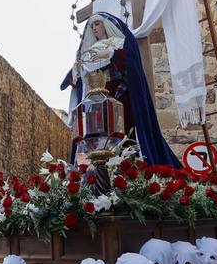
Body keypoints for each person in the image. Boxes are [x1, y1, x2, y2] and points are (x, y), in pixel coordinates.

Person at [62, 12, 180, 167]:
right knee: (98, 137)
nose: (94, 28)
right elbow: (80, 79)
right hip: (96, 101)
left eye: (97, 24)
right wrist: (74, 74)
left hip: (120, 95)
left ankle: (126, 167)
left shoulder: (118, 42)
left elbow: (129, 61)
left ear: (106, 24)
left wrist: (112, 54)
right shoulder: (90, 50)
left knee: (123, 135)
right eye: (91, 26)